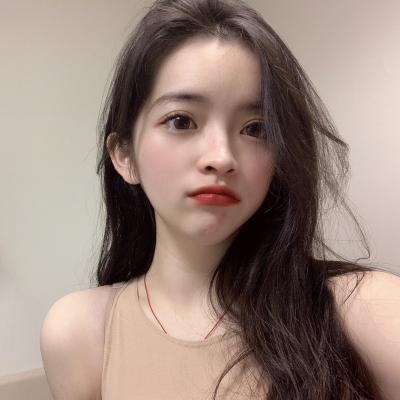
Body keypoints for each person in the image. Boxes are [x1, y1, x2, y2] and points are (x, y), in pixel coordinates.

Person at [40, 0, 400, 399]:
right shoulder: (81, 333)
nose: (222, 157)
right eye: (181, 121)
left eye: (256, 128)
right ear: (124, 155)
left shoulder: (366, 310)